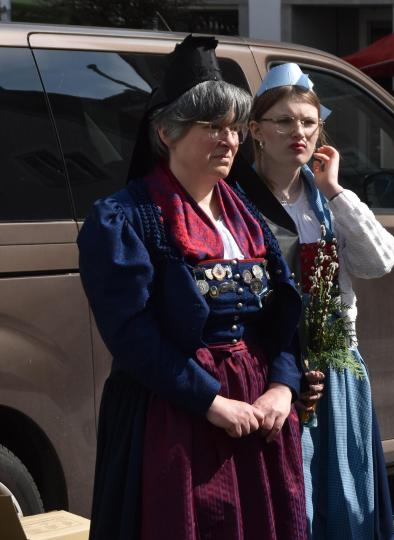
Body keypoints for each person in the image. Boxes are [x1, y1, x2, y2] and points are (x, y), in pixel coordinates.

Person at [78, 36, 306, 540]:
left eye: (233, 128)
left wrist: (282, 388)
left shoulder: (247, 214)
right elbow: (131, 335)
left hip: (258, 413)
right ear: (166, 131)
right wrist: (211, 402)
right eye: (212, 127)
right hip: (175, 417)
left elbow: (284, 312)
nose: (228, 140)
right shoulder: (125, 219)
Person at [230, 63, 394, 539]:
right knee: (291, 499)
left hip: (335, 367)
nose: (297, 132)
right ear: (256, 131)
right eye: (283, 121)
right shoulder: (239, 197)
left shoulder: (323, 200)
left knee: (342, 497)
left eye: (307, 122)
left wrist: (336, 191)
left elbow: (381, 260)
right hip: (273, 374)